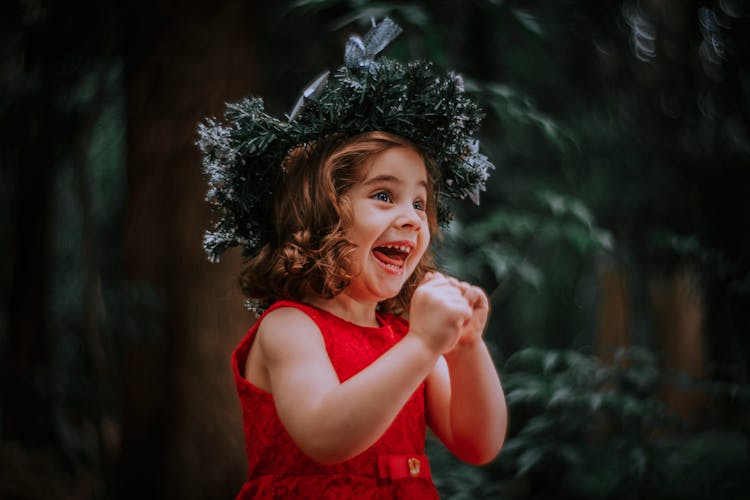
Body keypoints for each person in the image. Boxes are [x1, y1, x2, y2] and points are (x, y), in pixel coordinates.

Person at [198, 19, 507, 500]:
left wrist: (466, 349)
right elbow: (326, 436)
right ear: (319, 213)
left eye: (420, 203)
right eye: (384, 195)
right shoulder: (291, 328)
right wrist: (425, 345)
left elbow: (478, 443)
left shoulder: (403, 334)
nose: (411, 218)